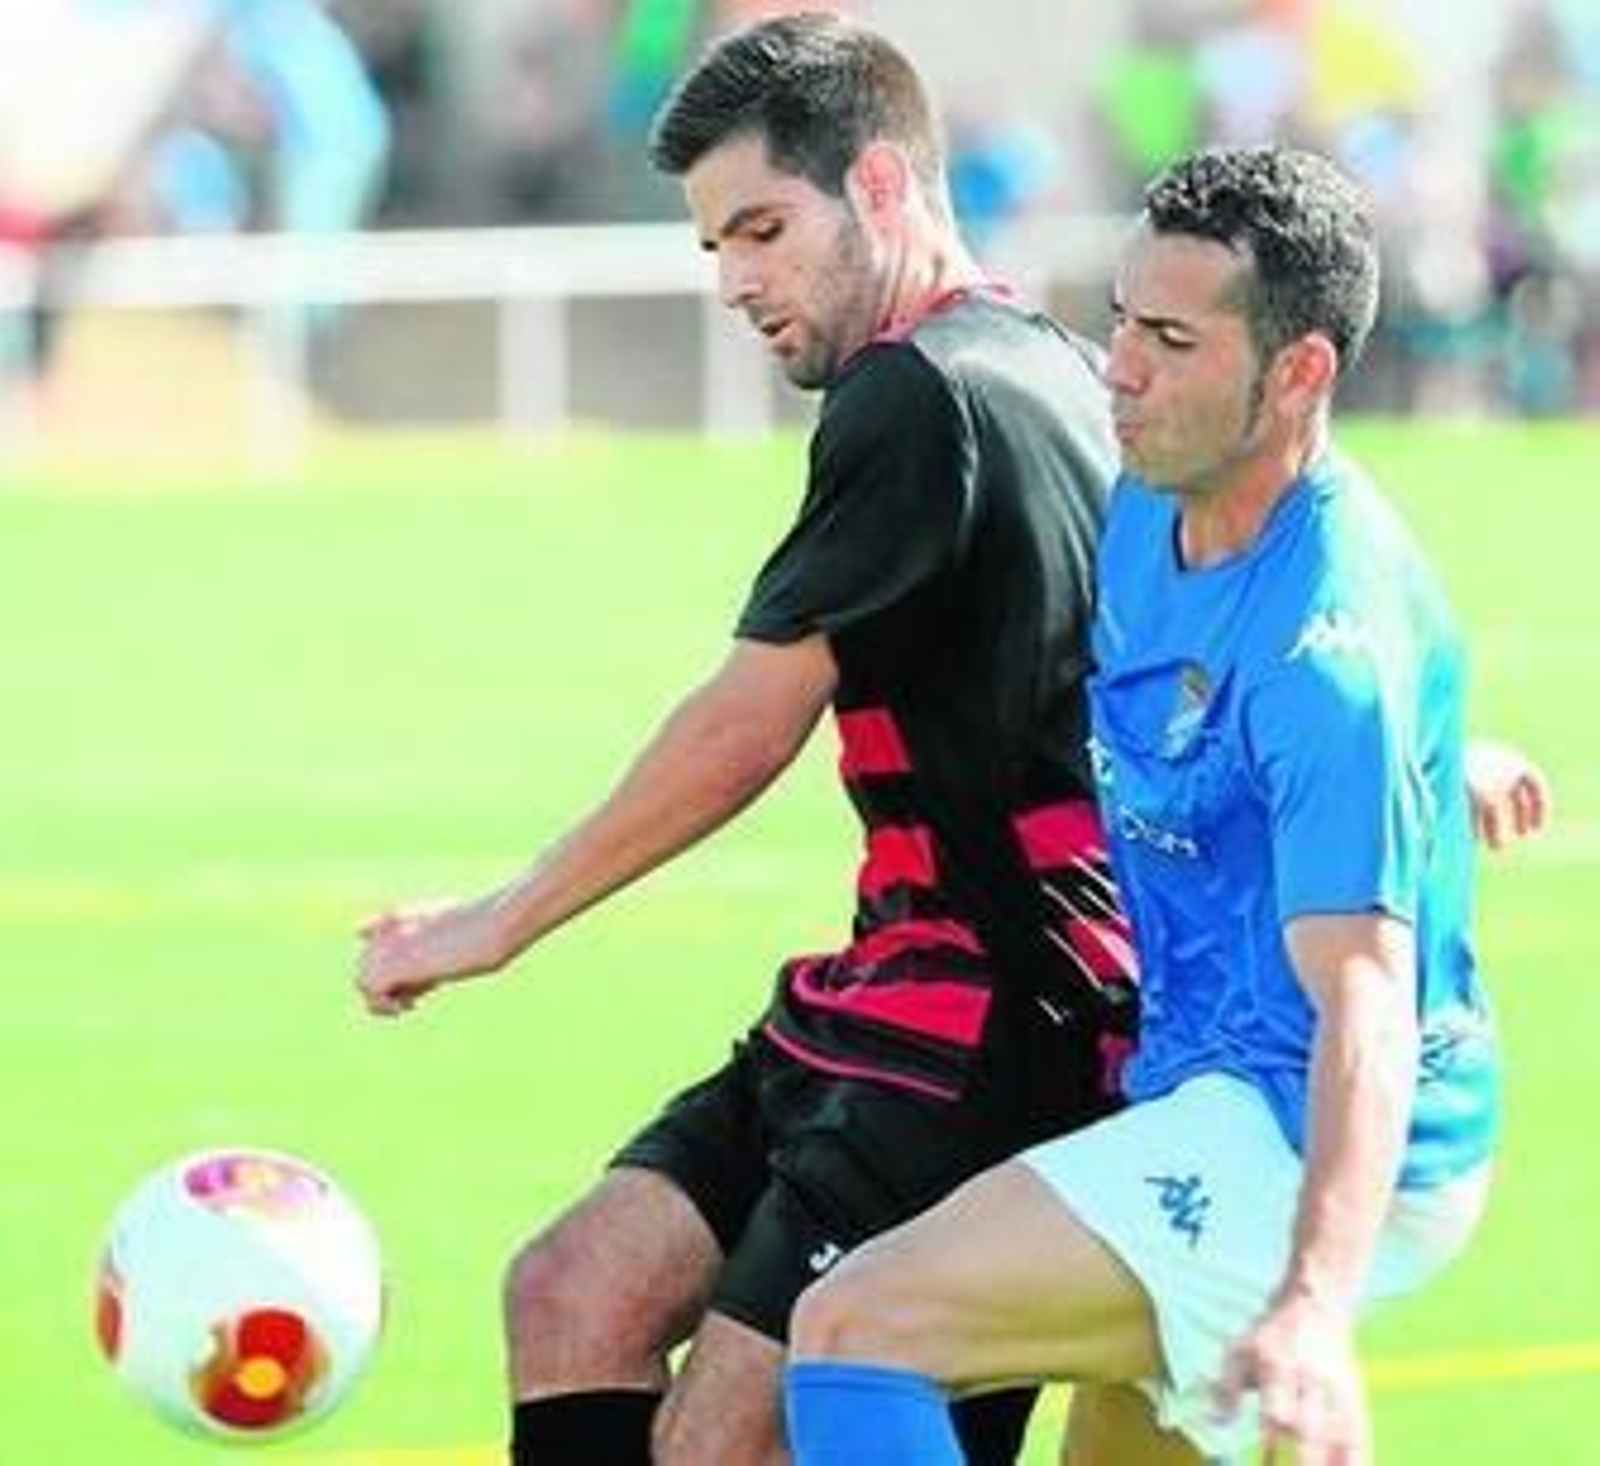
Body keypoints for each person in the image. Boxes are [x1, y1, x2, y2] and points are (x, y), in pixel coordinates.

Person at [355, 13, 1137, 1465]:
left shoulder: (919, 392)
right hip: (901, 992)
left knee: (724, 1439)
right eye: (716, 245)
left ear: (883, 186)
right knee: (571, 1289)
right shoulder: (1060, 363)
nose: (735, 281)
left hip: (988, 1023)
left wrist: (498, 920)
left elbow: (747, 722)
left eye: (764, 230)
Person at [783, 144, 1509, 1466]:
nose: (1119, 367)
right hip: (1202, 1083)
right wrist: (1440, 761)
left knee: (856, 1326)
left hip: (1308, 1130)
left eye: (1172, 342)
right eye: (1121, 320)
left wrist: (1313, 1300)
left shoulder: (1327, 651)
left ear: (1299, 373)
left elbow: (1366, 1000)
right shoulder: (1150, 506)